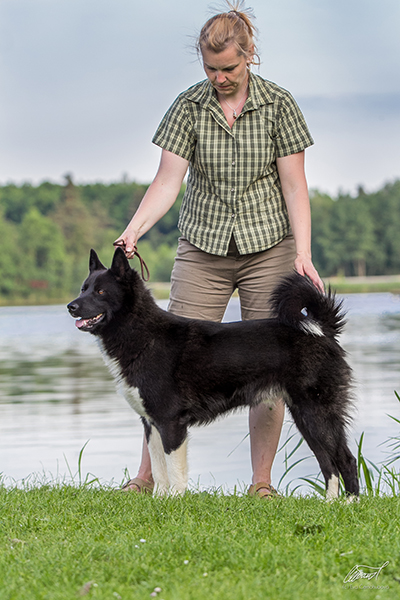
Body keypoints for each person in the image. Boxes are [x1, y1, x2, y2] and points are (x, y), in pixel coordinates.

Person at [114, 1, 323, 498]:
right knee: (159, 364)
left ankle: (261, 484)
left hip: (269, 244)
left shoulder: (279, 104)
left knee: (270, 361)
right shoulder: (189, 106)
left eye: (228, 67)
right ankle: (144, 479)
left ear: (249, 55)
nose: (220, 77)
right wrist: (134, 229)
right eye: (211, 68)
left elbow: (295, 186)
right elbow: (167, 181)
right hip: (203, 245)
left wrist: (304, 253)